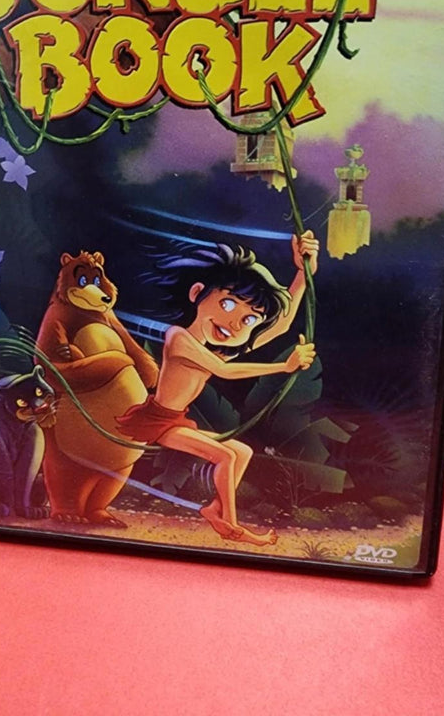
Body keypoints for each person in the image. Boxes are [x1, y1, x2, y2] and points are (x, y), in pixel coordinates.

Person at [116, 233, 318, 546]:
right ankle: (231, 526)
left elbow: (281, 325)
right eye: (227, 303)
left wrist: (303, 274)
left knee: (242, 451)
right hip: (156, 422)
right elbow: (224, 371)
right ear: (197, 293)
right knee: (224, 455)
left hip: (176, 421)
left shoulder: (212, 350)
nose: (235, 324)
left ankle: (214, 509)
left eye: (249, 320)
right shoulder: (179, 338)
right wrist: (284, 367)